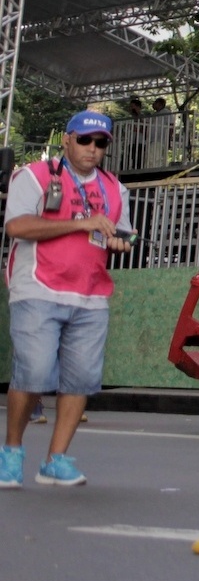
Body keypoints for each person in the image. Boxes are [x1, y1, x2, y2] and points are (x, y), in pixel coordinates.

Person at [2, 111, 133, 488]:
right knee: (34, 372)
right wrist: (82, 223)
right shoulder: (35, 175)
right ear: (67, 139)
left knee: (81, 381)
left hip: (91, 294)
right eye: (85, 140)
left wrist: (120, 241)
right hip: (38, 288)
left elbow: (112, 234)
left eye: (101, 143)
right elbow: (17, 226)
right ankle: (11, 452)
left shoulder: (114, 188)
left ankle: (55, 460)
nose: (93, 149)